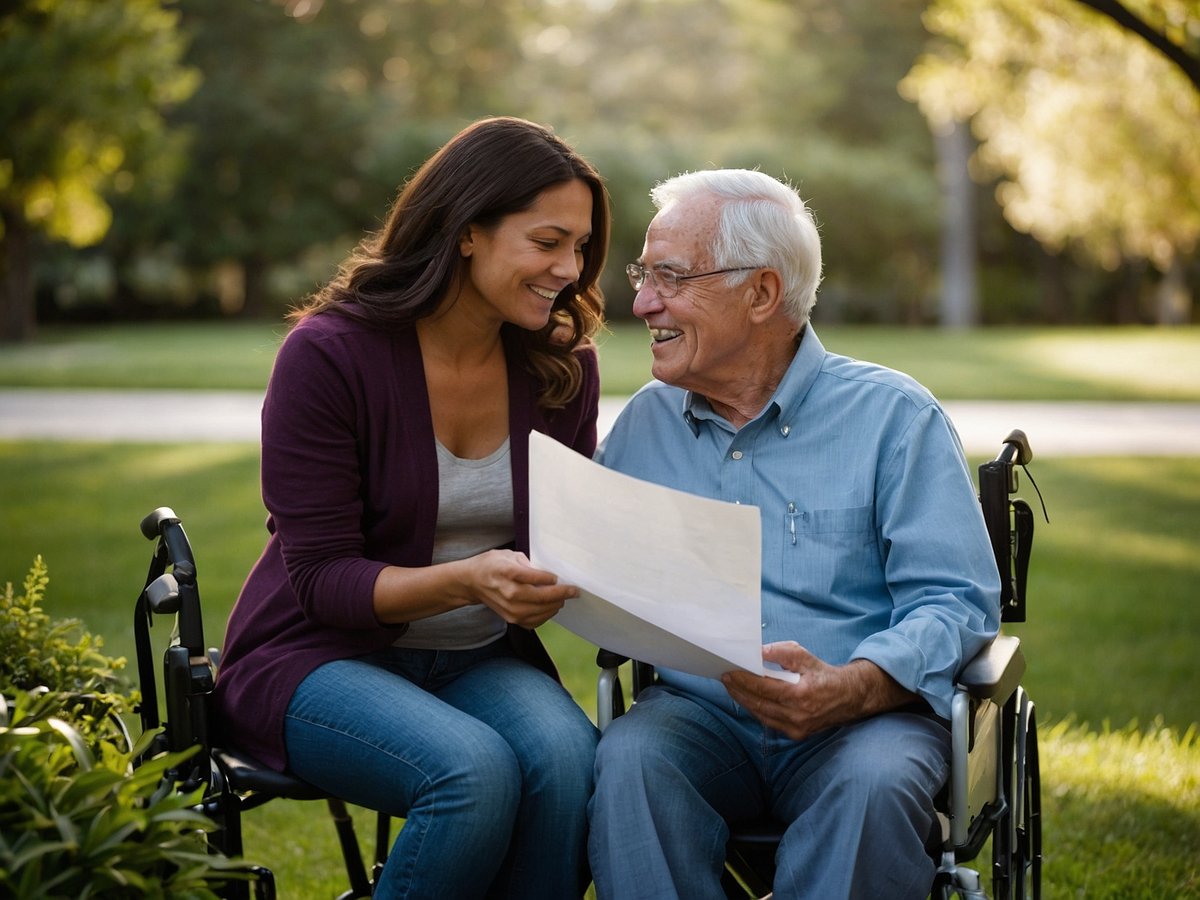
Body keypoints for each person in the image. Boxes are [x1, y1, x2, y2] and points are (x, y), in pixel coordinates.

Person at [213, 116, 610, 899]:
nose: (569, 269)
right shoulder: (329, 357)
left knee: (572, 762)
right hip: (316, 655)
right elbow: (323, 580)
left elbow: (565, 539)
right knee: (472, 774)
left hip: (476, 659)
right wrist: (470, 580)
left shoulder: (560, 368)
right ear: (467, 232)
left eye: (581, 248)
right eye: (547, 242)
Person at [587, 169, 1001, 900]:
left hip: (867, 721)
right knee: (631, 761)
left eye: (671, 277)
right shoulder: (645, 424)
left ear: (762, 293)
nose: (643, 301)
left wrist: (857, 686)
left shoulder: (893, 418)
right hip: (700, 718)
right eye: (643, 275)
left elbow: (957, 601)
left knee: (874, 786)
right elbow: (595, 569)